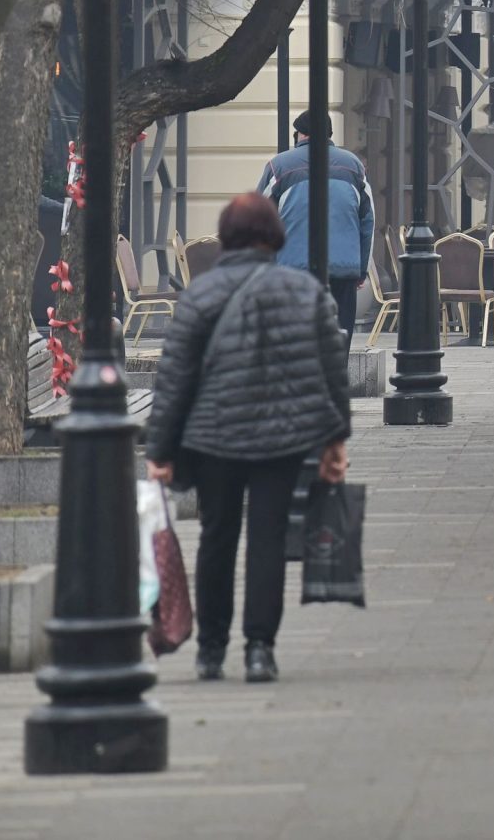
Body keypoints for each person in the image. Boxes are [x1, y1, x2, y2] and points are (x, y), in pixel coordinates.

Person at [145, 192, 350, 683]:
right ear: (274, 234)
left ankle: (211, 650)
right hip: (282, 437)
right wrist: (335, 440)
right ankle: (260, 649)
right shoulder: (306, 292)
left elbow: (175, 377)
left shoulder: (200, 295)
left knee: (217, 537)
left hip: (214, 437)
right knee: (268, 537)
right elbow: (330, 371)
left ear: (226, 236)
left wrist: (161, 450)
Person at [257, 111, 376, 343]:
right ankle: (334, 377)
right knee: (339, 336)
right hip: (343, 270)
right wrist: (361, 269)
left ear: (300, 134)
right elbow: (367, 221)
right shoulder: (354, 166)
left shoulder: (278, 166)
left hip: (292, 269)